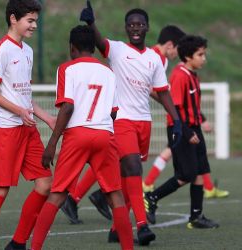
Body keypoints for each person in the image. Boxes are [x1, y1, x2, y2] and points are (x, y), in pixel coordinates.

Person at [73, 1, 183, 246]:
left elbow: (163, 92)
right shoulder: (118, 49)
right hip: (121, 120)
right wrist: (91, 23)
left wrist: (176, 121)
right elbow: (100, 42)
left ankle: (116, 229)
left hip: (144, 122)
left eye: (140, 24)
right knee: (133, 168)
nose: (135, 28)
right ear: (126, 28)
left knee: (127, 178)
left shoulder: (155, 60)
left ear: (147, 28)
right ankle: (142, 226)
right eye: (131, 24)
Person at [30, 24, 134, 250]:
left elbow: (67, 107)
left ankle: (35, 247)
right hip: (105, 134)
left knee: (57, 195)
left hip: (77, 135)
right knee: (115, 196)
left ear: (72, 48)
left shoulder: (67, 69)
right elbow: (114, 111)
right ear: (94, 49)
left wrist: (52, 143)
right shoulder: (108, 72)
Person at [0, 1, 55, 250]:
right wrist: (19, 111)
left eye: (36, 21)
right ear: (13, 19)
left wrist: (48, 118)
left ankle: (18, 243)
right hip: (5, 129)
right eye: (30, 20)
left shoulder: (27, 51)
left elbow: (25, 96)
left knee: (45, 184)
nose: (34, 25)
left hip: (27, 129)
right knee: (0, 188)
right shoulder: (2, 49)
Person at [143, 27, 230, 199]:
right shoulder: (177, 73)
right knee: (186, 173)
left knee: (200, 168)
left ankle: (197, 215)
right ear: (188, 56)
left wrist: (201, 120)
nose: (204, 59)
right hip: (180, 126)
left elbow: (192, 105)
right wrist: (186, 130)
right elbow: (172, 104)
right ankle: (151, 195)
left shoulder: (192, 75)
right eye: (200, 55)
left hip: (191, 126)